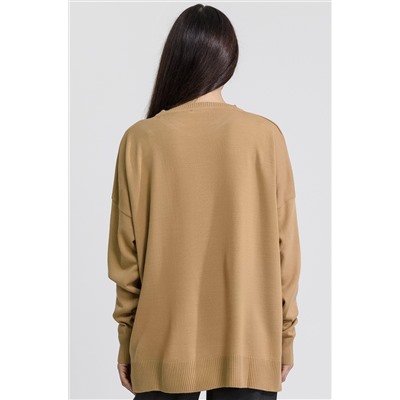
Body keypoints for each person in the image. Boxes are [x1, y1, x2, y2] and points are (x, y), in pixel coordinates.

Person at [107, 3, 301, 400]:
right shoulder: (265, 137)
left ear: (174, 59)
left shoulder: (140, 141)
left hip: (162, 347)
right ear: (229, 60)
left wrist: (126, 340)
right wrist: (284, 337)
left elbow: (126, 260)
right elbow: (287, 253)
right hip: (250, 343)